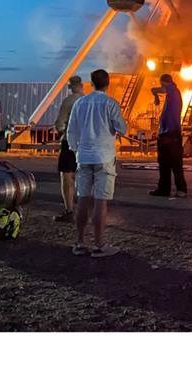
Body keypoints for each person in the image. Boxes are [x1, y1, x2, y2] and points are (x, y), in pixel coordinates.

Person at [67, 69, 126, 257]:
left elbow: (71, 131)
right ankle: (99, 245)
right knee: (101, 201)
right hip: (104, 158)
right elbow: (122, 129)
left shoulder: (79, 103)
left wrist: (76, 150)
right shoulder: (110, 104)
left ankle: (79, 242)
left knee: (83, 199)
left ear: (91, 83)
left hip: (83, 157)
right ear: (108, 84)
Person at [150, 73, 187, 197]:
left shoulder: (172, 90)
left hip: (171, 134)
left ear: (164, 82)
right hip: (168, 133)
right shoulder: (172, 95)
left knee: (173, 163)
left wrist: (154, 92)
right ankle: (166, 189)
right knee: (166, 163)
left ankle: (176, 189)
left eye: (161, 83)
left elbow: (157, 89)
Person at [53, 75, 84, 222]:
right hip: (87, 144)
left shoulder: (68, 102)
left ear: (71, 87)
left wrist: (61, 130)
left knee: (67, 175)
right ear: (82, 86)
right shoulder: (88, 101)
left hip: (70, 142)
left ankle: (69, 210)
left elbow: (59, 123)